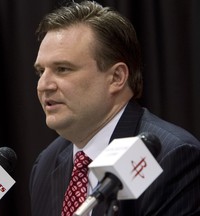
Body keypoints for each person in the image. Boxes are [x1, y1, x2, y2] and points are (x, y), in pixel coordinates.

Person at [29, 1, 200, 216]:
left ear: (116, 77)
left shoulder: (169, 157)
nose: (43, 85)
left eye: (62, 69)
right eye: (40, 72)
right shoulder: (46, 164)